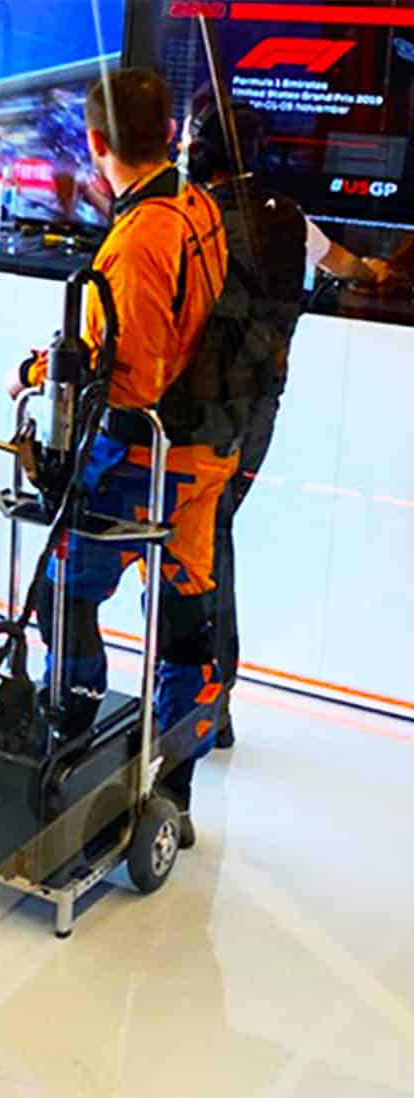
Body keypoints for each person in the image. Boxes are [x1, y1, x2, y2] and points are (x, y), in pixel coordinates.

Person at [14, 68, 231, 847]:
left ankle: (67, 749)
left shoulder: (138, 240)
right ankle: (174, 791)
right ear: (168, 131)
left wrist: (42, 379)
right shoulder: (196, 204)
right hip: (205, 454)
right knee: (184, 623)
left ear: (98, 143)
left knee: (62, 595)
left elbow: (129, 377)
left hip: (148, 461)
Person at [182, 90, 388, 748]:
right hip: (258, 414)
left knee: (202, 549)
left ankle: (206, 702)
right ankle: (204, 700)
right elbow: (349, 267)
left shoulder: (189, 219)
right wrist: (376, 269)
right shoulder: (289, 218)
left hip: (199, 417)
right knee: (210, 540)